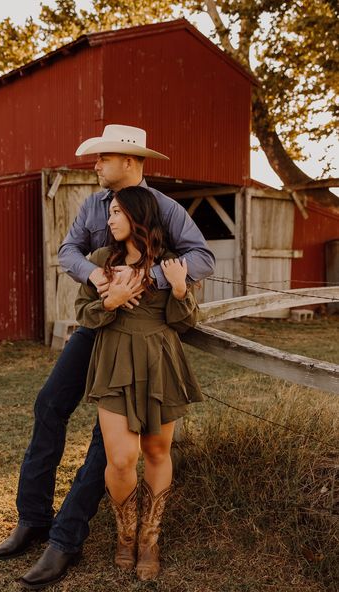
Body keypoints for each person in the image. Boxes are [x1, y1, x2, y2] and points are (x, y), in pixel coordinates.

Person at [0, 125, 215, 590]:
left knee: (110, 440)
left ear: (129, 160)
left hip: (143, 334)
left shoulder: (165, 209)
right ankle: (33, 518)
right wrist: (98, 276)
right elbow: (68, 250)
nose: (94, 165)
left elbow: (202, 259)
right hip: (98, 324)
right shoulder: (93, 205)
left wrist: (144, 278)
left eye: (102, 158)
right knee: (49, 404)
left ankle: (66, 540)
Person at [75, 186, 201, 580]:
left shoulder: (170, 265)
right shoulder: (100, 262)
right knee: (121, 458)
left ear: (138, 215)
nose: (108, 219)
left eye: (116, 212)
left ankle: (149, 538)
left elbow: (184, 322)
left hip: (160, 359)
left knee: (157, 452)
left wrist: (179, 289)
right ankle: (125, 534)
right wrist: (108, 302)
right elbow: (83, 313)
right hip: (114, 359)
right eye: (109, 212)